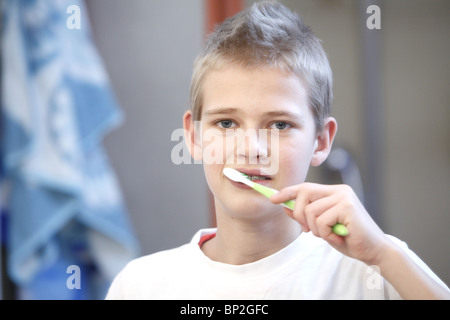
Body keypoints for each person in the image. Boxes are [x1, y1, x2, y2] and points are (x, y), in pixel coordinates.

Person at [106, 1, 449, 299]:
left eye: (279, 125)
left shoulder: (376, 274)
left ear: (322, 141)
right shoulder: (140, 286)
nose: (251, 149)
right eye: (226, 123)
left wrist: (385, 255)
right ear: (193, 137)